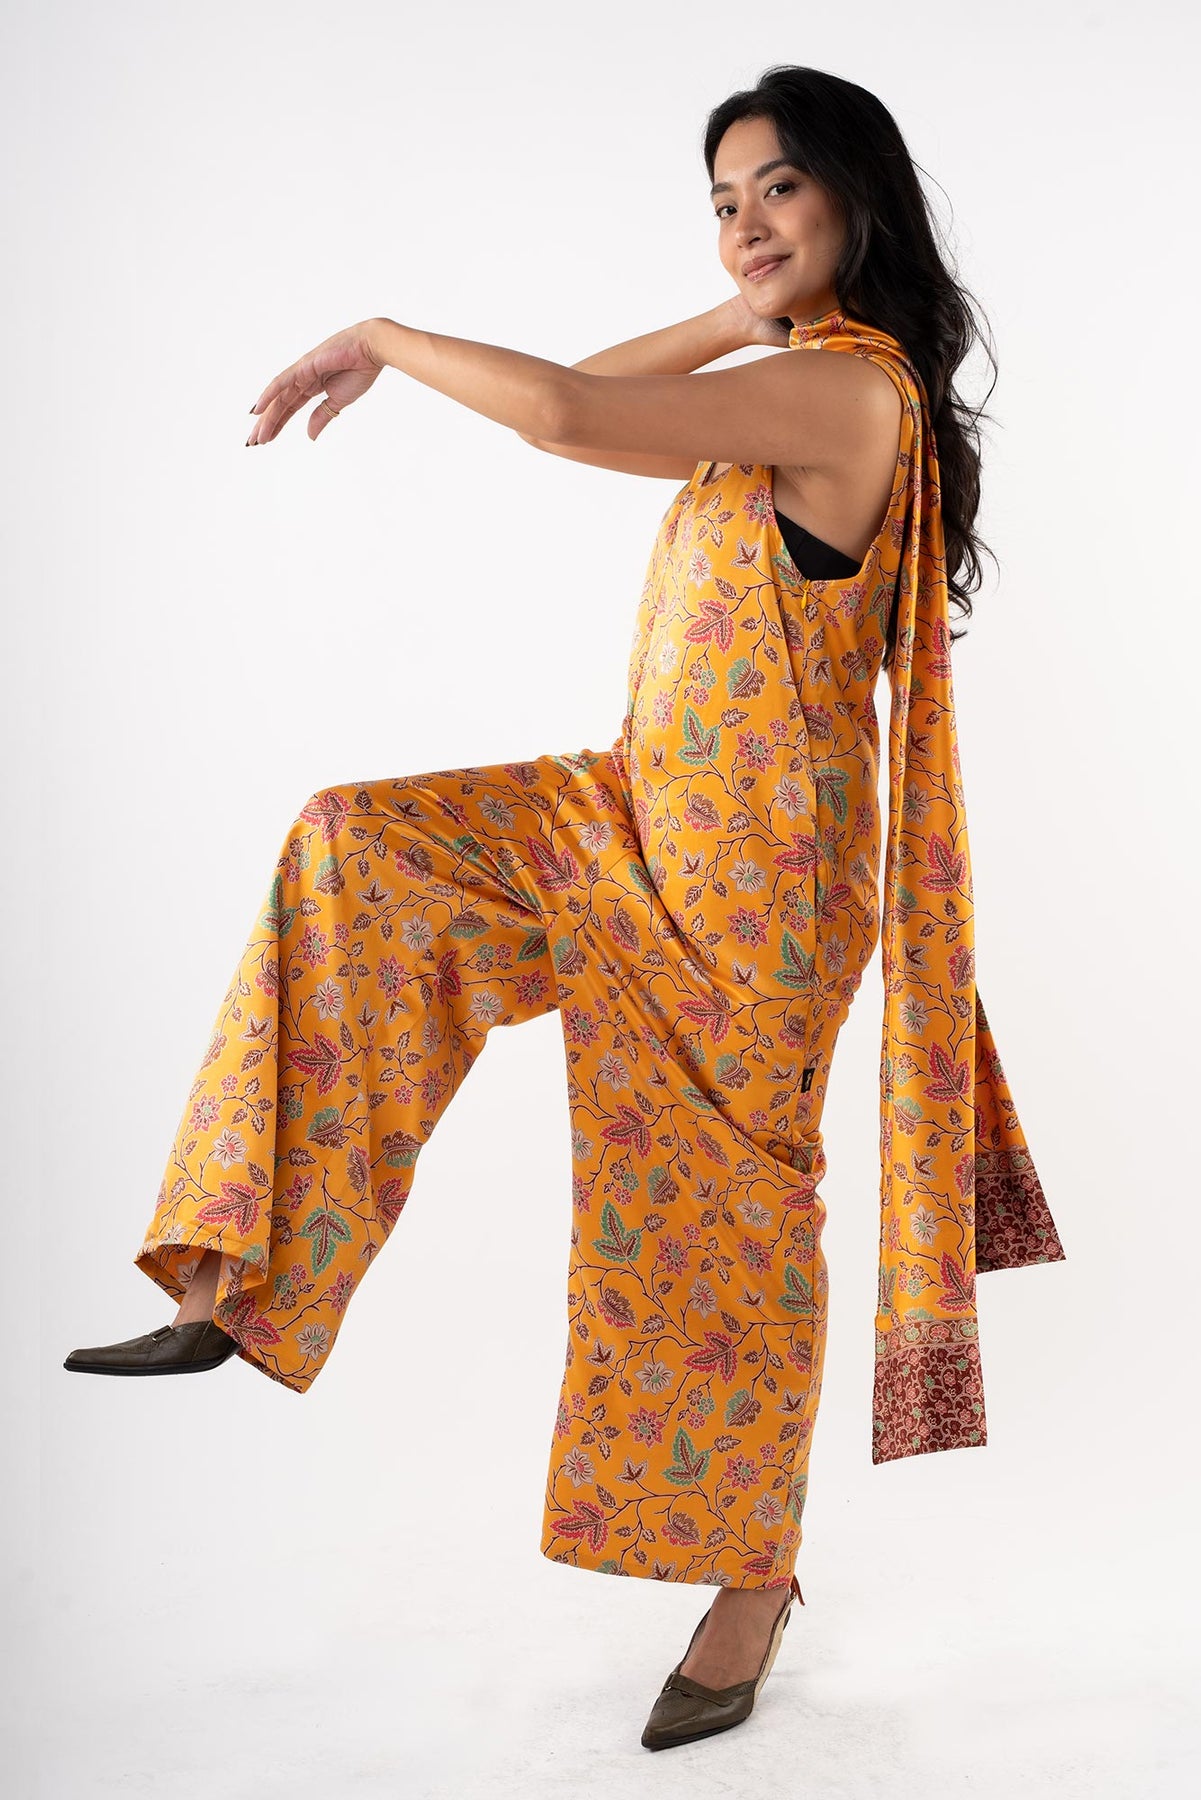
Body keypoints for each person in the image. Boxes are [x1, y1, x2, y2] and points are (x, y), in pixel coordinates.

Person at [63, 64, 1064, 1752]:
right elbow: (598, 390)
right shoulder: (786, 365)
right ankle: (235, 1284)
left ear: (857, 196)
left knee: (719, 1239)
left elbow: (565, 416)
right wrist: (745, 299)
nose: (745, 222)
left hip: (758, 895)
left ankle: (752, 1583)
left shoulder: (847, 394)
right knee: (356, 850)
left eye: (778, 190)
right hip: (622, 818)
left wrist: (380, 334)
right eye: (723, 203)